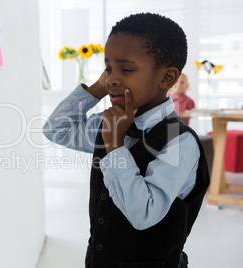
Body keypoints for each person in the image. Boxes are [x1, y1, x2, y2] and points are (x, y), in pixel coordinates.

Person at [43, 13, 209, 268]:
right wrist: (97, 89)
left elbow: (143, 214)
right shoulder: (108, 122)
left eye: (127, 69)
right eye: (108, 68)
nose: (112, 79)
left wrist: (115, 146)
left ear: (166, 78)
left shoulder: (179, 142)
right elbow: (56, 129)